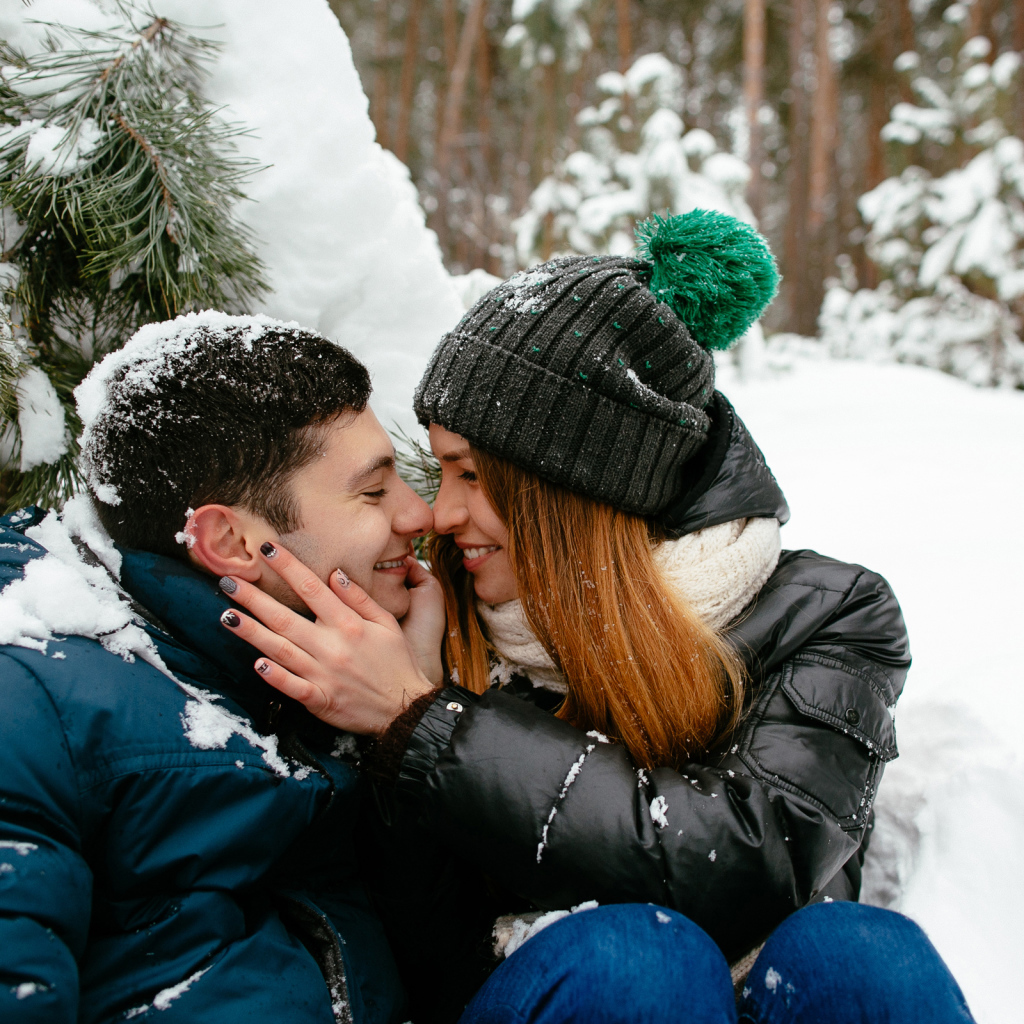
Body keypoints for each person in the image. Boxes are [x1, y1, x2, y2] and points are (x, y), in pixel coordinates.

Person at [217, 212, 975, 1023]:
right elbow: (423, 952)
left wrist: (426, 723)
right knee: (633, 966)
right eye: (439, 471)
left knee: (858, 954)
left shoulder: (826, 613)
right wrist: (399, 740)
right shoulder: (436, 612)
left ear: (576, 491)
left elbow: (753, 866)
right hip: (550, 997)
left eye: (472, 476)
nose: (439, 515)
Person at [0, 311, 439, 1023]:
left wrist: (413, 722)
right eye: (373, 491)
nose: (421, 515)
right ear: (231, 542)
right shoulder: (34, 694)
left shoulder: (313, 665)